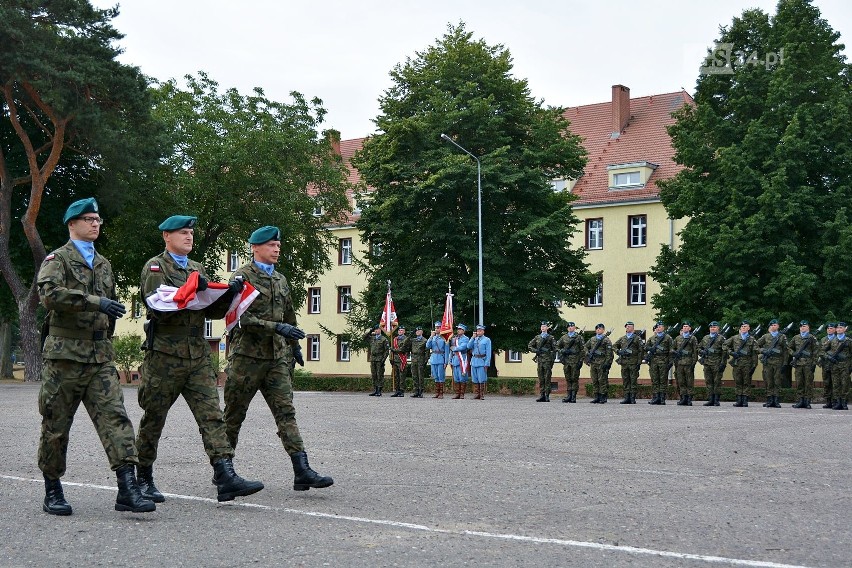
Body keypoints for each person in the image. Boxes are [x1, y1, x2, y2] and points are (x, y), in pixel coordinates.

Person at [37, 198, 154, 515]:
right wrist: (93, 302)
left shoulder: (103, 263)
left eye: (98, 219)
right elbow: (48, 294)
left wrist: (106, 321)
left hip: (100, 357)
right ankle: (52, 489)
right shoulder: (57, 259)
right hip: (65, 358)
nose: (95, 223)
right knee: (56, 425)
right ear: (72, 224)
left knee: (116, 420)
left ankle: (127, 490)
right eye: (88, 219)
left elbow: (113, 306)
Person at [135, 215, 264, 503]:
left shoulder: (196, 267)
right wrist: (193, 290)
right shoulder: (156, 267)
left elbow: (210, 312)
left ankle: (225, 473)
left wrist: (228, 294)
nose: (189, 237)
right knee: (154, 417)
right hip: (165, 355)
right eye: (182, 232)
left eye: (191, 232)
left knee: (212, 416)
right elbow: (159, 304)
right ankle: (143, 476)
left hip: (197, 355)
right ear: (167, 237)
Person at [222, 226, 332, 491]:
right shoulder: (242, 277)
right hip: (246, 358)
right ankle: (223, 470)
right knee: (234, 416)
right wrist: (276, 328)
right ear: (255, 248)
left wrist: (294, 345)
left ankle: (301, 470)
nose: (276, 249)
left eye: (278, 245)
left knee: (286, 413)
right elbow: (239, 317)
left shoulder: (281, 280)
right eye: (271, 245)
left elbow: (289, 315)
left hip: (276, 359)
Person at [756, 319, 789, 408]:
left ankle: (776, 400)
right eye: (772, 325)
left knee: (777, 381)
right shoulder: (765, 336)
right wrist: (763, 351)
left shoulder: (782, 337)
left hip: (778, 362)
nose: (773, 327)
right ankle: (770, 400)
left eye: (775, 325)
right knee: (768, 381)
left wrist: (785, 363)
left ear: (778, 326)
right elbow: (756, 346)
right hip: (768, 362)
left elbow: (786, 351)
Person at [788, 320, 820, 409]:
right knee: (799, 383)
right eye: (801, 326)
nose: (803, 328)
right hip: (798, 364)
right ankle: (800, 401)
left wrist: (814, 363)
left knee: (808, 383)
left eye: (805, 326)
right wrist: (794, 354)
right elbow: (788, 348)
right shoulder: (796, 338)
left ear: (808, 328)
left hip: (808, 364)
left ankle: (807, 401)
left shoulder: (812, 338)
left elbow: (816, 352)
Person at [726, 320, 757, 407]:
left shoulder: (752, 339)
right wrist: (731, 352)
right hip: (737, 363)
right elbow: (725, 345)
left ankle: (745, 400)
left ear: (748, 328)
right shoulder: (735, 338)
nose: (744, 328)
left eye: (745, 326)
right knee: (738, 381)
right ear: (740, 328)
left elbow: (755, 352)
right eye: (742, 327)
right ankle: (739, 400)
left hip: (747, 363)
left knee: (746, 382)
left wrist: (754, 365)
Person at [613, 321, 644, 404]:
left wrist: (639, 362)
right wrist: (618, 352)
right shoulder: (622, 338)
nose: (627, 328)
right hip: (624, 362)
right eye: (626, 326)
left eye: (629, 326)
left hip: (633, 362)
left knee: (633, 380)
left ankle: (633, 398)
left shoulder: (637, 338)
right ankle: (627, 397)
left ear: (633, 328)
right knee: (625, 380)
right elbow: (614, 346)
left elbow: (641, 351)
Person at [698, 321, 728, 406]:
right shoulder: (705, 338)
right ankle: (710, 399)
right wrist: (702, 352)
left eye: (714, 327)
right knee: (708, 381)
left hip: (717, 363)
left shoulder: (721, 338)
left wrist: (723, 363)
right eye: (711, 327)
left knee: (717, 381)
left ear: (718, 328)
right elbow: (699, 347)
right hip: (707, 363)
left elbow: (724, 352)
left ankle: (716, 399)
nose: (712, 328)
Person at [644, 322, 673, 405]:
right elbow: (645, 347)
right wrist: (650, 349)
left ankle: (662, 398)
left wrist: (670, 362)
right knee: (655, 380)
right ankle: (656, 397)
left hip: (663, 360)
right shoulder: (652, 338)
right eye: (657, 327)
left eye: (660, 327)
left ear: (663, 328)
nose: (658, 328)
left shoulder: (668, 338)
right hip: (653, 361)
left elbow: (671, 351)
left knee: (663, 380)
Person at [556, 322, 586, 403]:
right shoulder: (564, 337)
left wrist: (581, 360)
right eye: (569, 326)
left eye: (572, 326)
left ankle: (573, 396)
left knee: (574, 378)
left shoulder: (579, 337)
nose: (570, 328)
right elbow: (557, 346)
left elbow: (583, 350)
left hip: (575, 360)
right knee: (568, 378)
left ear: (575, 327)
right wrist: (563, 350)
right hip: (566, 361)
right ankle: (568, 395)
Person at [529, 322, 557, 402]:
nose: (543, 328)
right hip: (540, 360)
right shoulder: (537, 337)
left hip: (547, 360)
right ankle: (542, 395)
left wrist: (552, 358)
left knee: (547, 378)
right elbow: (530, 346)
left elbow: (555, 348)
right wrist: (536, 351)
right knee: (541, 378)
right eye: (542, 326)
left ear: (547, 328)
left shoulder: (550, 337)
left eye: (544, 326)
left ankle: (547, 395)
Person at [584, 323, 613, 403]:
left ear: (603, 330)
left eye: (600, 329)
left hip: (602, 363)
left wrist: (607, 363)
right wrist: (588, 353)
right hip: (593, 362)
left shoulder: (606, 340)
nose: (598, 330)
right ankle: (596, 396)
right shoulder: (592, 339)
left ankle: (603, 396)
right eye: (597, 329)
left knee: (602, 380)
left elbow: (609, 353)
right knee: (594, 380)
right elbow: (585, 346)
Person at [672, 321, 699, 406]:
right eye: (684, 326)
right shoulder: (678, 338)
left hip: (689, 362)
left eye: (687, 326)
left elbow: (695, 351)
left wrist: (694, 362)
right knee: (681, 381)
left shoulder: (693, 338)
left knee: (689, 381)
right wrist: (676, 353)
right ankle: (683, 398)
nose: (685, 328)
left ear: (690, 328)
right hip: (679, 363)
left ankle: (689, 398)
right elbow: (672, 349)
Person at [825, 322, 850, 410]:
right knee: (836, 384)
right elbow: (822, 350)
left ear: (844, 329)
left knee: (844, 384)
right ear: (836, 330)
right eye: (838, 328)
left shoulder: (848, 341)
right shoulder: (832, 340)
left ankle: (844, 402)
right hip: (834, 365)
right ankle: (838, 402)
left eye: (841, 327)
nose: (839, 329)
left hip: (845, 365)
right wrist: (829, 357)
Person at [469, 324, 492, 400]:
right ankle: (476, 394)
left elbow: (488, 353)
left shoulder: (487, 340)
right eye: (477, 331)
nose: (478, 332)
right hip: (474, 360)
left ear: (483, 331)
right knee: (475, 378)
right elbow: (468, 346)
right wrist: (472, 338)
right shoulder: (474, 339)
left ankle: (481, 394)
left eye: (480, 331)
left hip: (482, 361)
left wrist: (487, 363)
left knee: (481, 378)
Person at [427, 322, 449, 398]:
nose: (437, 329)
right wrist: (430, 337)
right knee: (435, 376)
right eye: (436, 328)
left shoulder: (444, 338)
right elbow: (427, 346)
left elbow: (447, 351)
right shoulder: (433, 337)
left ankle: (441, 393)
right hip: (433, 358)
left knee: (441, 376)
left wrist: (446, 362)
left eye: (438, 328)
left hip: (440, 358)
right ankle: (437, 392)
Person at [367, 325, 389, 396]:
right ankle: (375, 389)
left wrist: (383, 360)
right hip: (373, 359)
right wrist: (370, 331)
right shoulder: (372, 338)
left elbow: (386, 351)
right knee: (374, 375)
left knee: (380, 374)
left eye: (378, 329)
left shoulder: (384, 339)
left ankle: (379, 390)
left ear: (380, 330)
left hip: (380, 359)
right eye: (375, 330)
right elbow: (364, 337)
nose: (376, 331)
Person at [449, 324, 470, 399]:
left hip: (462, 360)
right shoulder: (454, 339)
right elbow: (451, 350)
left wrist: (454, 348)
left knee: (462, 377)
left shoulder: (466, 338)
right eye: (458, 329)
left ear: (463, 330)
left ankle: (462, 394)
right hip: (455, 359)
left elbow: (463, 347)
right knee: (456, 378)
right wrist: (450, 360)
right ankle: (457, 393)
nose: (458, 330)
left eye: (460, 329)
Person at [389, 325, 411, 397]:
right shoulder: (395, 339)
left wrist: (393, 350)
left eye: (401, 330)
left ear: (404, 331)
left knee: (402, 376)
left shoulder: (406, 339)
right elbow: (391, 350)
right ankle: (397, 390)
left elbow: (403, 349)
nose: (400, 331)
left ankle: (402, 391)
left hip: (402, 360)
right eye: (399, 330)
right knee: (396, 376)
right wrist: (391, 358)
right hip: (395, 360)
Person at [819, 323, 837, 408]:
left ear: (835, 329)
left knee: (835, 382)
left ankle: (835, 401)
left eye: (831, 328)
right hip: (825, 364)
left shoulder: (838, 339)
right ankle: (828, 401)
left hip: (835, 364)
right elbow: (820, 351)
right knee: (826, 383)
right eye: (828, 328)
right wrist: (827, 357)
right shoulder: (823, 339)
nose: (829, 329)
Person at [408, 326, 428, 398]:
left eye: (419, 331)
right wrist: (410, 335)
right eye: (416, 331)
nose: (417, 332)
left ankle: (421, 391)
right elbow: (406, 343)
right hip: (414, 359)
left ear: (422, 332)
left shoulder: (425, 340)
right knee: (414, 376)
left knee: (420, 376)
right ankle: (416, 391)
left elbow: (427, 352)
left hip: (420, 359)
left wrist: (425, 361)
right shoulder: (413, 340)